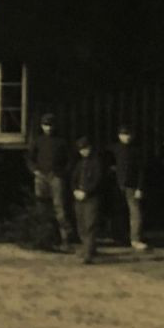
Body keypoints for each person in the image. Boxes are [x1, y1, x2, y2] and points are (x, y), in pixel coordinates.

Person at [26, 113, 74, 246]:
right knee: (41, 207)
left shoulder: (61, 141)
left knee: (60, 207)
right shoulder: (38, 140)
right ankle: (44, 237)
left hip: (56, 177)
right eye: (45, 125)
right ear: (42, 126)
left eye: (50, 125)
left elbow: (70, 160)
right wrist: (35, 170)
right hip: (41, 177)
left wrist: (62, 174)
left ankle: (65, 238)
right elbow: (30, 158)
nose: (48, 128)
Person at [108, 125, 149, 251]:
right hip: (117, 186)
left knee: (135, 213)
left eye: (128, 134)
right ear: (119, 135)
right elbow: (106, 163)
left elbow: (141, 170)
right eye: (123, 134)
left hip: (132, 186)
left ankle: (135, 239)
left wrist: (140, 188)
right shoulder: (113, 149)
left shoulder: (137, 151)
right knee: (118, 213)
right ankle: (118, 237)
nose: (126, 137)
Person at [71, 135, 104, 264]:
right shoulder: (79, 163)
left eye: (86, 148)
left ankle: (88, 253)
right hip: (79, 196)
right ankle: (88, 248)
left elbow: (98, 180)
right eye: (81, 149)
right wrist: (75, 191)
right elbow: (73, 179)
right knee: (81, 224)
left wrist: (86, 191)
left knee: (90, 224)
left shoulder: (97, 163)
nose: (84, 151)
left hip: (92, 197)